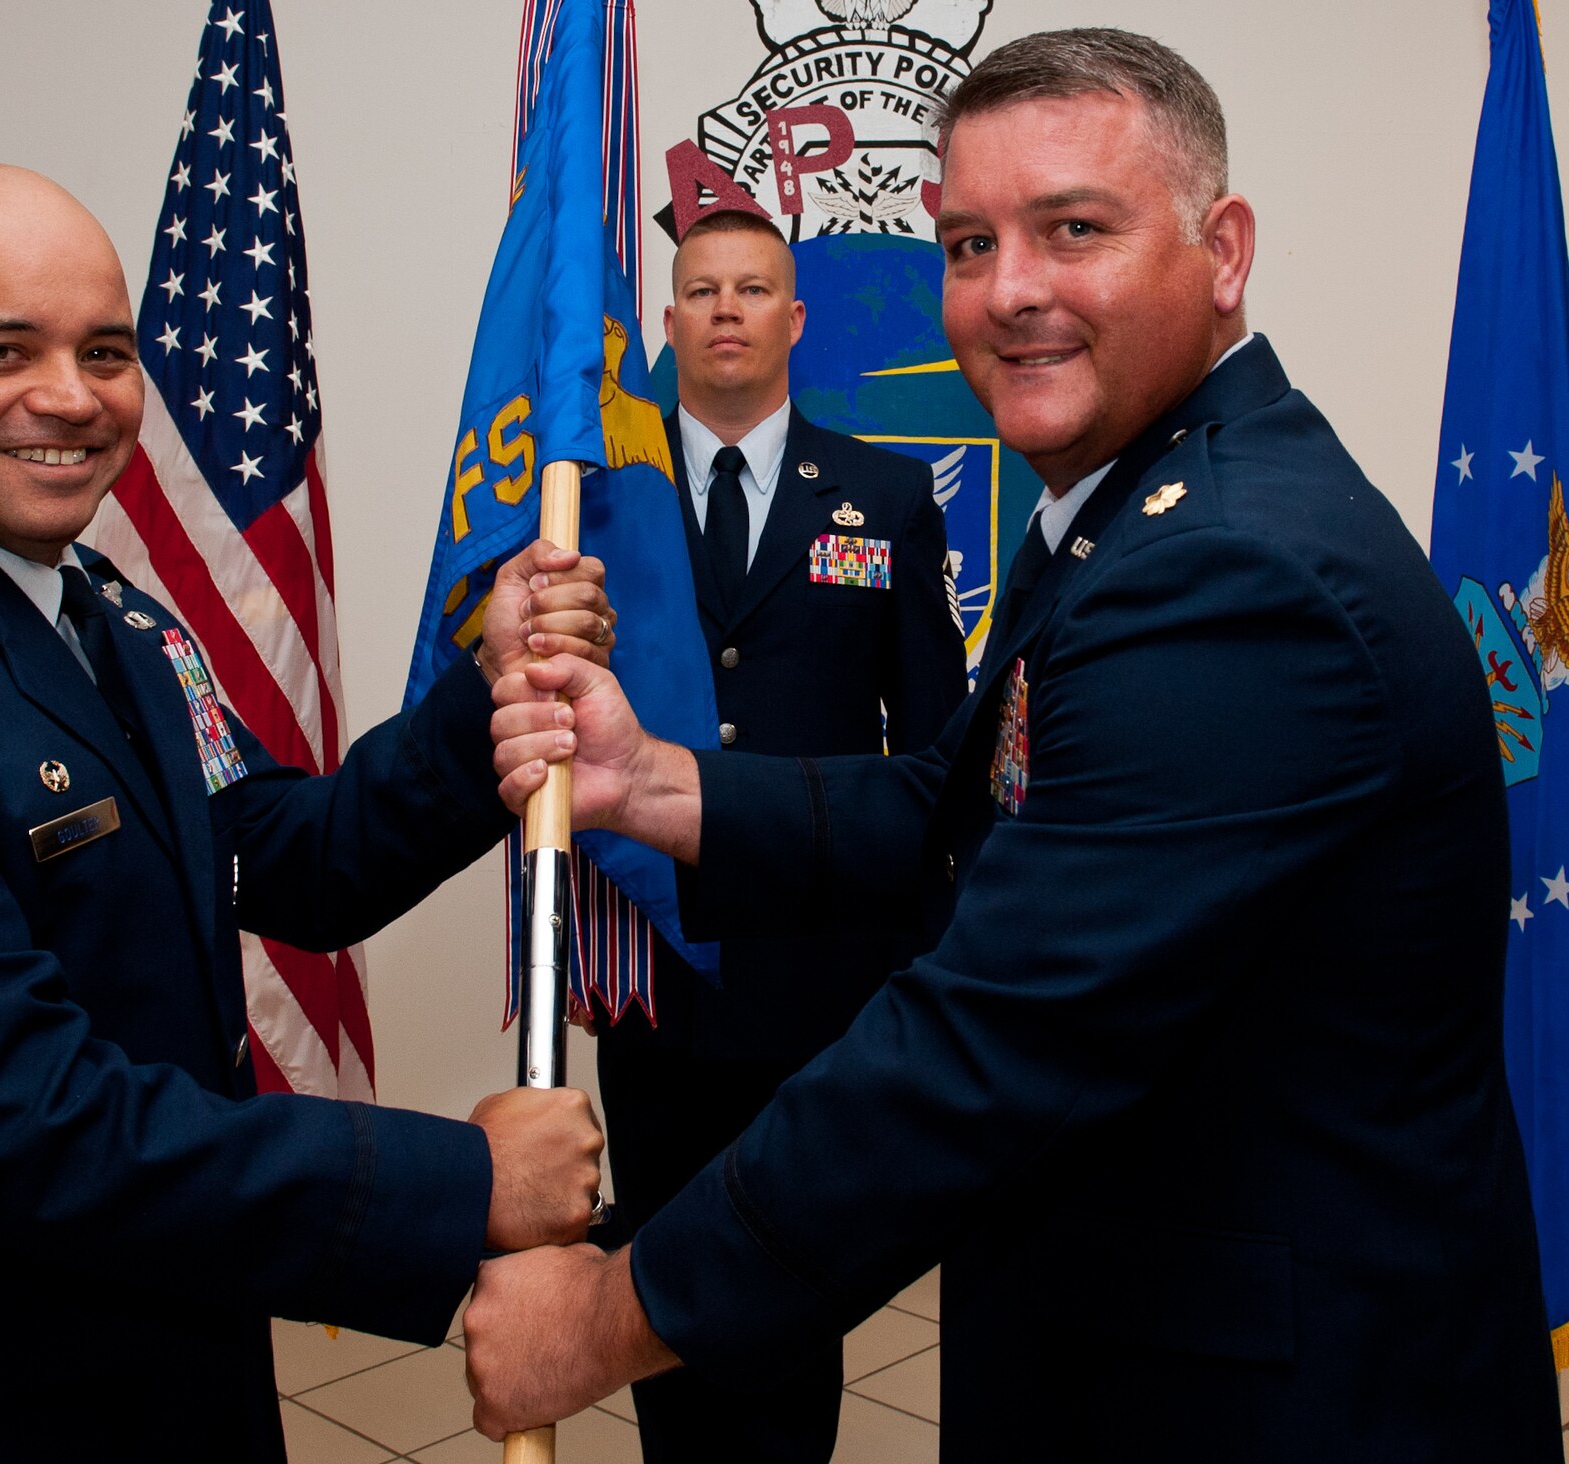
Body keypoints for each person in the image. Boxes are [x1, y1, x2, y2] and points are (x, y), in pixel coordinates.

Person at [467, 29, 1564, 1461]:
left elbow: (980, 1052)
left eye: (1074, 230)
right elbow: (963, 803)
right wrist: (651, 783)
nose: (1009, 291)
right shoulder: (1140, 507)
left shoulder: (1232, 576)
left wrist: (609, 1314)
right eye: (970, 244)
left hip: (1267, 1403)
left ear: (1222, 252)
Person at [0, 164, 613, 1463]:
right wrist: (462, 1183)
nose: (72, 396)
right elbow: (27, 1123)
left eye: (105, 351)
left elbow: (284, 858)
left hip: (172, 1366)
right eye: (2, 351)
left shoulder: (108, 613)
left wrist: (484, 690)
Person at [592, 206, 964, 1463]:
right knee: (658, 1277)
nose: (726, 310)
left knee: (794, 1290)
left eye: (752, 289)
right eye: (702, 290)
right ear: (668, 320)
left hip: (818, 969)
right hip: (656, 957)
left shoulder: (882, 495)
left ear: (794, 319)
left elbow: (933, 750)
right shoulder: (603, 499)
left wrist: (916, 965)